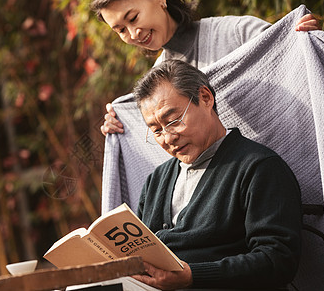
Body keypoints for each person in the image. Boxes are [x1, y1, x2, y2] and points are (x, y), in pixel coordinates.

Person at [129, 59, 302, 289]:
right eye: (157, 130)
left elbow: (279, 260)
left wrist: (194, 276)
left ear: (205, 98)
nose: (168, 138)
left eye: (173, 121)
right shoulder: (156, 181)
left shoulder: (258, 167)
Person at [90, 0, 321, 136]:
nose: (133, 33)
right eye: (120, 30)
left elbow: (299, 70)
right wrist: (124, 127)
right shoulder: (158, 83)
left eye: (133, 18)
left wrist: (304, 40)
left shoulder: (237, 33)